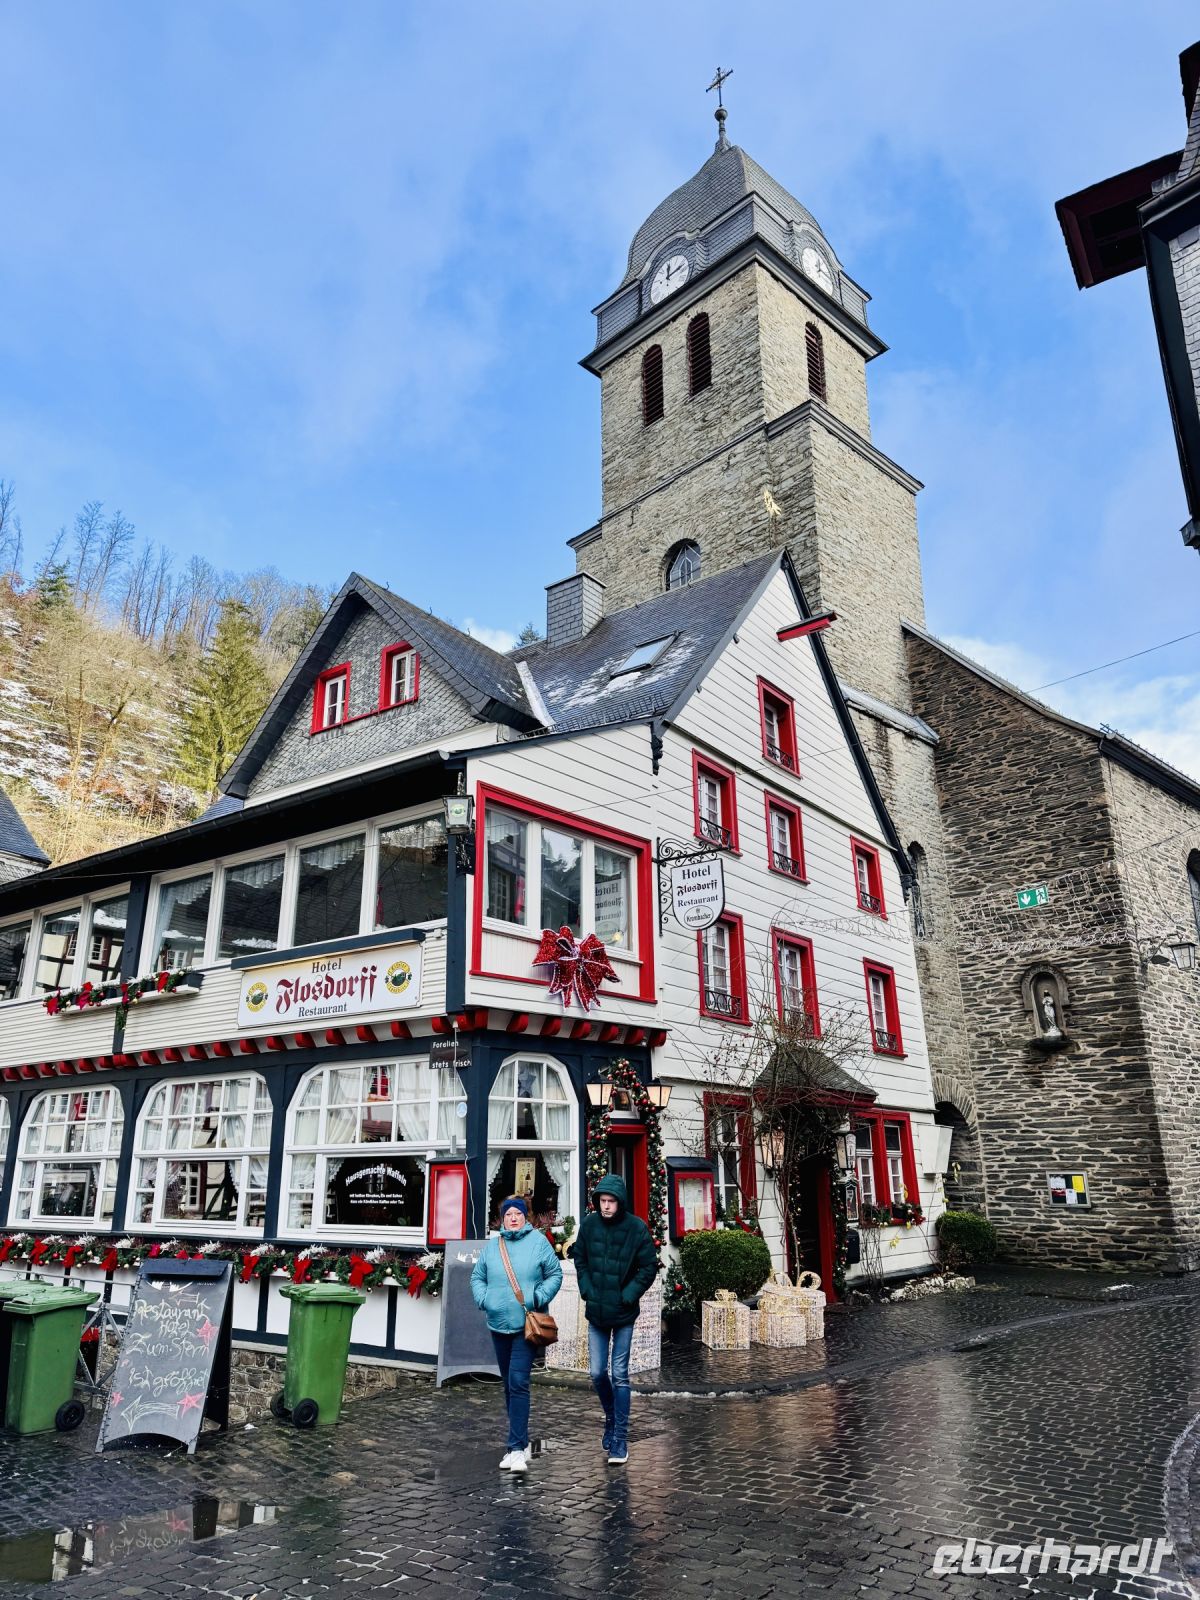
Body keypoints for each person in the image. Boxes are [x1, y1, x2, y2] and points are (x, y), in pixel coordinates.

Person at [471, 1195, 562, 1474]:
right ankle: (517, 1445)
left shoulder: (537, 1243)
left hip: (525, 1326)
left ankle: (516, 1449)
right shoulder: (492, 1246)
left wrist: (537, 1296)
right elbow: (477, 1277)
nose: (513, 1218)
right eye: (508, 1214)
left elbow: (555, 1274)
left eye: (518, 1214)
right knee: (509, 1385)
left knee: (519, 1381)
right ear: (502, 1218)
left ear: (525, 1217)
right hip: (498, 1324)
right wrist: (484, 1299)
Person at [572, 1173, 658, 1465]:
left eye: (611, 1201)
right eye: (602, 1201)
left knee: (619, 1373)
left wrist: (629, 1294)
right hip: (597, 1310)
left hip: (623, 1312)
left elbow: (648, 1267)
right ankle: (611, 1415)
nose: (606, 1206)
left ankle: (620, 1437)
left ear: (620, 1202)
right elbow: (580, 1258)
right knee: (597, 1373)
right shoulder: (589, 1225)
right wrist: (586, 1289)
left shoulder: (636, 1229)